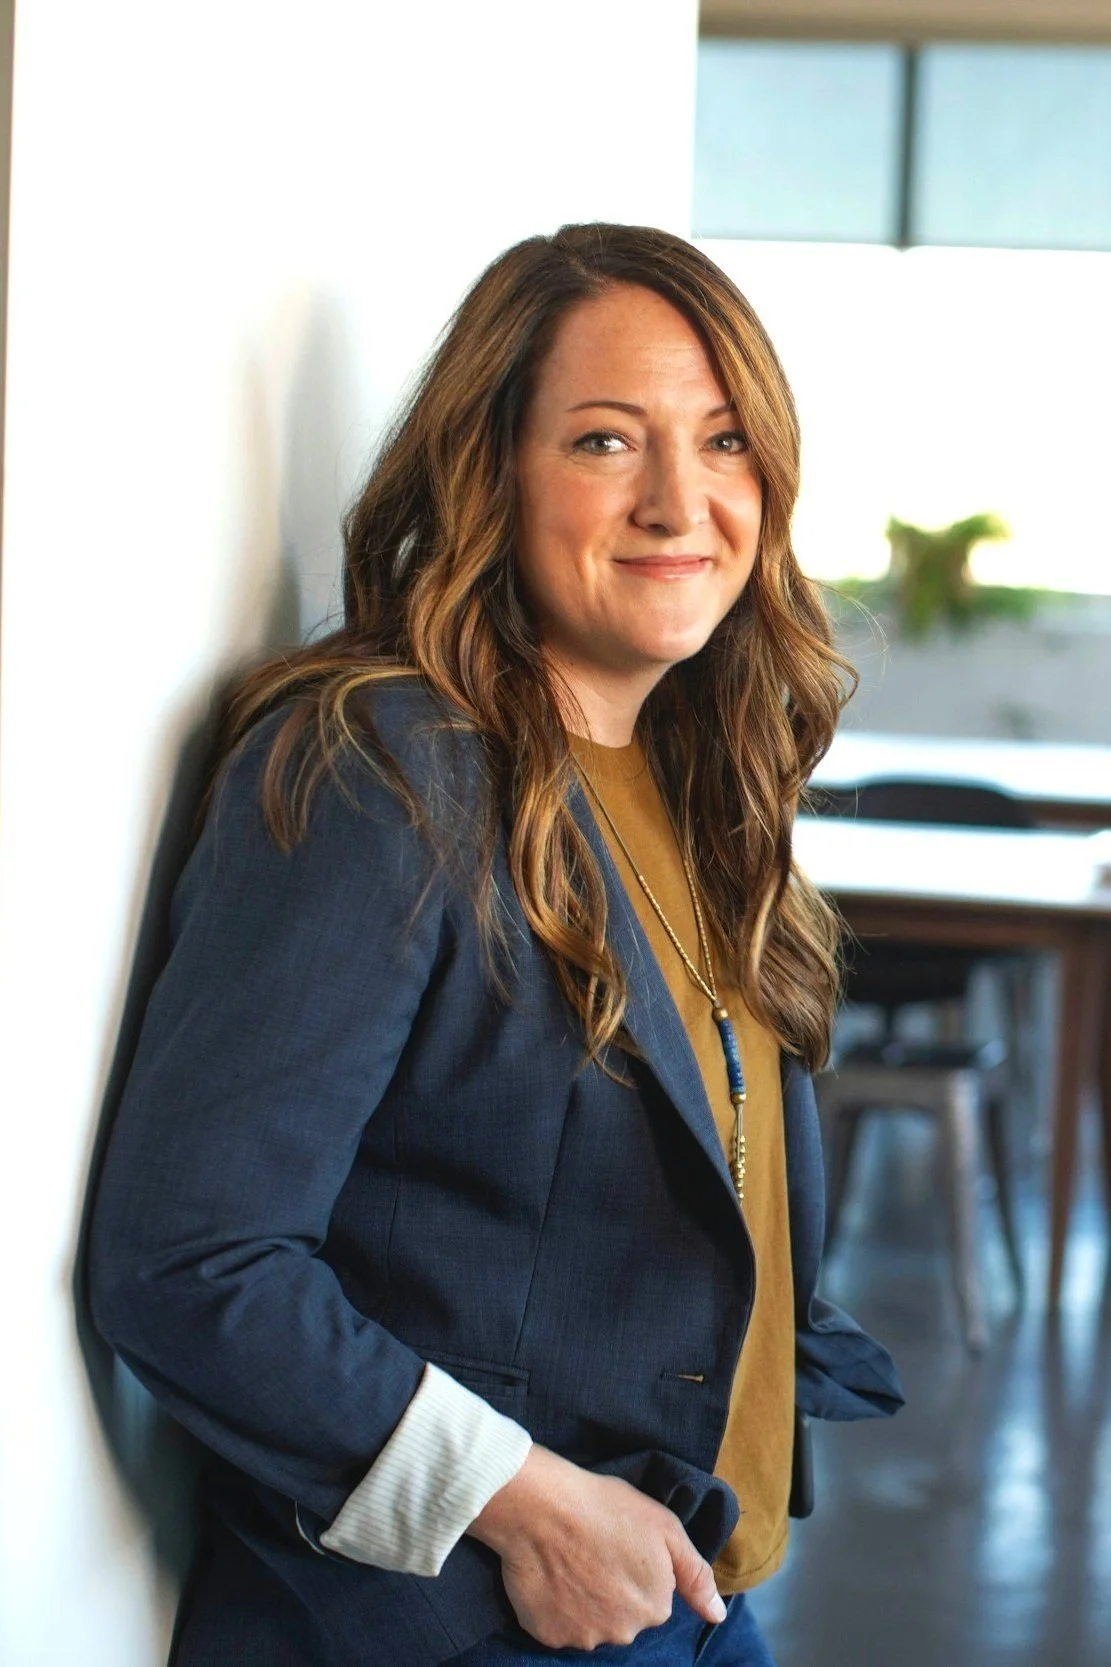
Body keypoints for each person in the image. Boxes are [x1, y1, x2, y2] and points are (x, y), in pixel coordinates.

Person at [89, 222, 903, 1667]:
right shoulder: (382, 768)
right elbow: (192, 1254)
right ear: (493, 471)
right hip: (475, 1615)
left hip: (686, 1584)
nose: (678, 499)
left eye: (722, 442)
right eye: (604, 441)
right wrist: (521, 1504)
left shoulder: (697, 772)